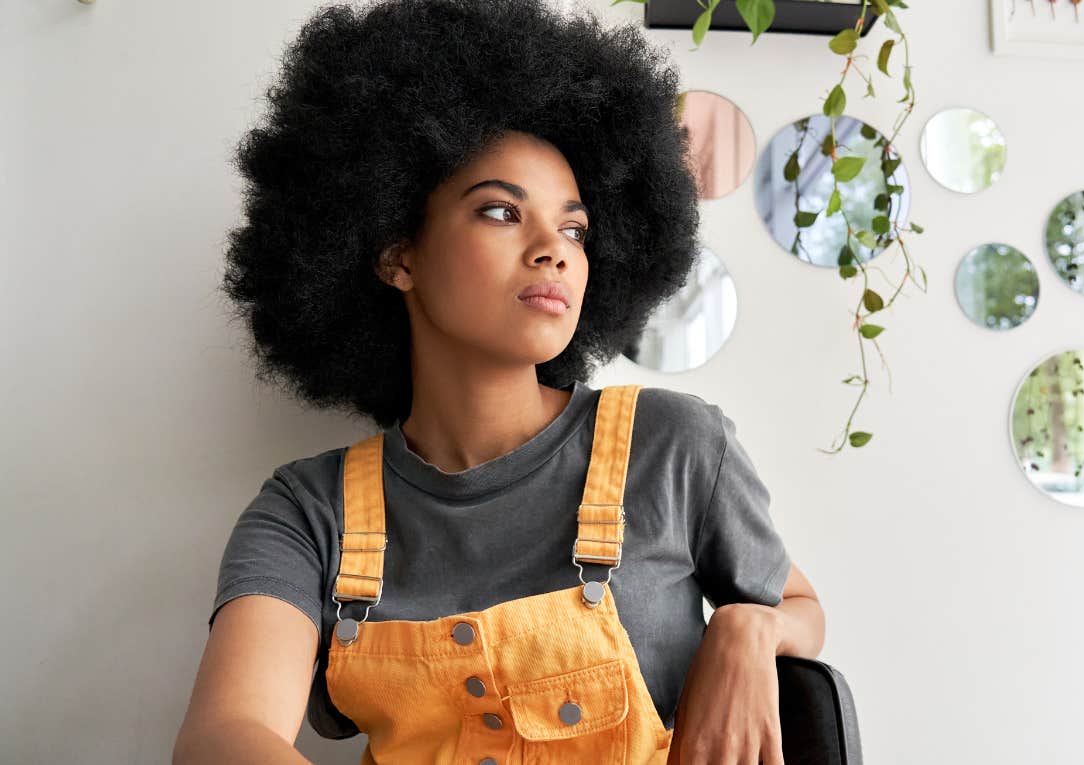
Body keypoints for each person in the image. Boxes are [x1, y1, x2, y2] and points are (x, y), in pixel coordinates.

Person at [173, 0, 825, 763]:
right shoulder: (310, 513)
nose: (554, 249)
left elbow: (800, 607)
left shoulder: (674, 445)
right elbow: (225, 734)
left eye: (575, 229)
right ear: (398, 257)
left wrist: (748, 625)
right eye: (499, 211)